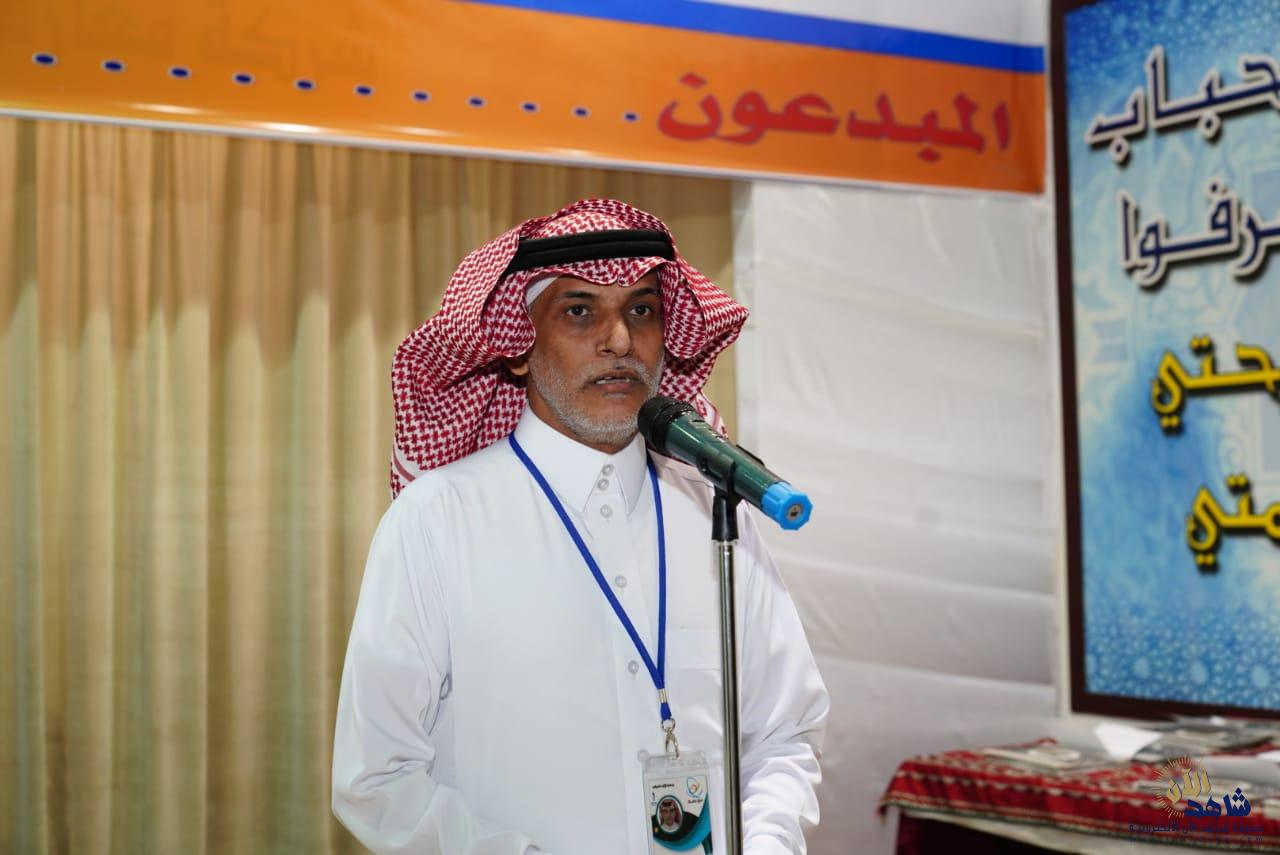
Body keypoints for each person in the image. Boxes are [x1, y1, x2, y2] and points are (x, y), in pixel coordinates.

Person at [332, 198, 829, 854]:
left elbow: (784, 735)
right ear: (519, 346)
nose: (619, 340)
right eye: (579, 311)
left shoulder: (717, 515)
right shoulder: (436, 522)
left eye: (641, 310)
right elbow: (378, 777)